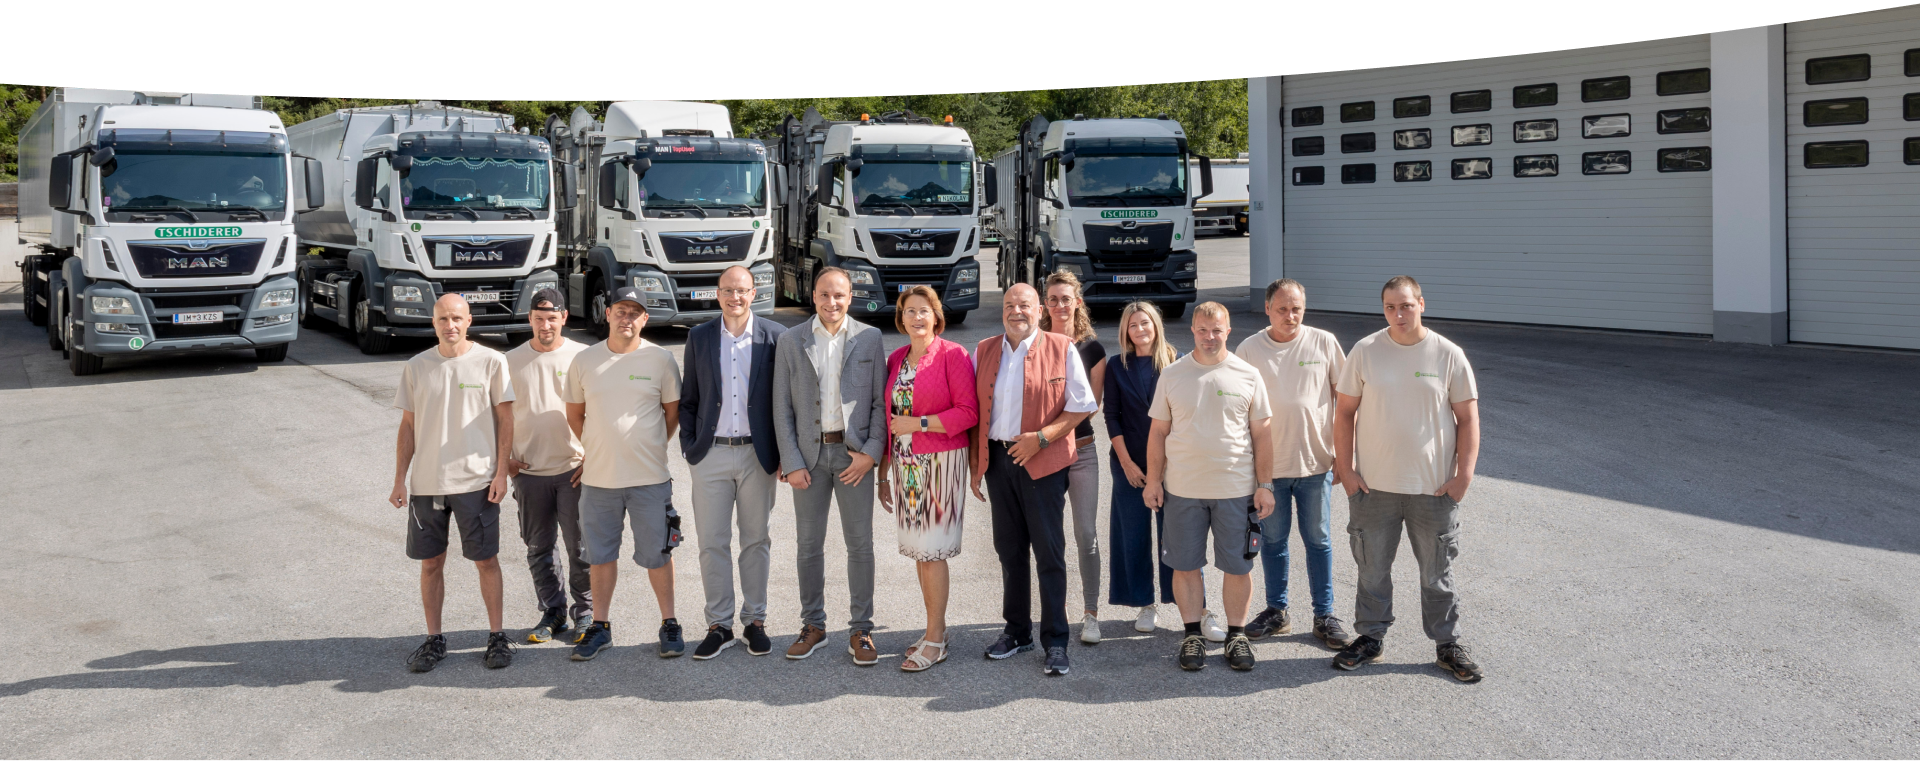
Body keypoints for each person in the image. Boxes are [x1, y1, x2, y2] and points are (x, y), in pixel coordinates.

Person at [1331, 276, 1484, 683]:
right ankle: (1370, 638)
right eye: (1390, 307)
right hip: (1373, 489)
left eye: (1406, 305)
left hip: (1432, 490)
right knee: (1372, 569)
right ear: (1383, 309)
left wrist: (1462, 476)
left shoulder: (1448, 355)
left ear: (1421, 304)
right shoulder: (1365, 351)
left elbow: (1467, 419)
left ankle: (1447, 644)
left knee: (1437, 574)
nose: (1398, 314)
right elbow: (1344, 413)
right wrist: (1346, 471)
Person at [973, 283, 1097, 676]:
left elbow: (1080, 408)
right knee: (1009, 550)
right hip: (998, 459)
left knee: (1049, 552)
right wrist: (976, 464)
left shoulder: (1062, 348)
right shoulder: (984, 349)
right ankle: (1017, 631)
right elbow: (974, 409)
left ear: (1039, 310)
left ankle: (1056, 640)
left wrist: (1040, 439)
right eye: (1009, 305)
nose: (1016, 312)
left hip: (1043, 460)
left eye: (1023, 305)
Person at [389, 294, 517, 673]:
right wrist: (399, 479)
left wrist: (500, 473)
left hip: (476, 482)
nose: (451, 325)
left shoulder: (492, 362)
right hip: (427, 484)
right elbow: (408, 426)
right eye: (443, 319)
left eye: (457, 318)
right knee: (431, 564)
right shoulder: (417, 366)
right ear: (433, 323)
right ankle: (434, 639)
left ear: (469, 320)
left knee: (485, 561)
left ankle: (496, 636)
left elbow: (506, 420)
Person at [1144, 301, 1275, 672]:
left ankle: (1236, 635)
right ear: (1193, 332)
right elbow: (1158, 432)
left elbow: (1263, 434)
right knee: (1184, 566)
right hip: (1182, 490)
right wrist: (1154, 480)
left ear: (1228, 331)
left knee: (1239, 567)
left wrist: (1265, 484)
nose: (1210, 337)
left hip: (1236, 490)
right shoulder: (1172, 375)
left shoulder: (1247, 375)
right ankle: (1192, 635)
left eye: (1217, 330)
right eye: (1202, 330)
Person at [771, 267, 888, 665]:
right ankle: (814, 625)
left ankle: (861, 630)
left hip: (853, 457)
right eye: (824, 295)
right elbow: (781, 408)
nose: (831, 302)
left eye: (839, 295)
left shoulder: (870, 338)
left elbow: (879, 403)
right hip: (810, 459)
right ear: (814, 295)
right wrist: (792, 461)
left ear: (850, 297)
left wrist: (871, 453)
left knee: (860, 546)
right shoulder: (791, 340)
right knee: (808, 545)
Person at [563, 287, 685, 661]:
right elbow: (575, 414)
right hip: (599, 481)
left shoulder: (661, 360)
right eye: (621, 311)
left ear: (645, 319)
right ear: (608, 314)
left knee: (658, 554)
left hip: (649, 478)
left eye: (635, 312)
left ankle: (669, 624)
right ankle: (600, 627)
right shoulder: (585, 361)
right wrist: (601, 448)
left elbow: (672, 414)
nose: (627, 318)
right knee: (600, 556)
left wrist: (644, 447)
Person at [1234, 279, 1355, 650]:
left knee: (1318, 541)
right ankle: (1277, 612)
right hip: (1268, 469)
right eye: (1283, 308)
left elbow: (1347, 400)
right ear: (1267, 308)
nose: (1291, 315)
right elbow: (1237, 409)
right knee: (1273, 542)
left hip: (1315, 464)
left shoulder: (1323, 342)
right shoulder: (1250, 349)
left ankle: (1325, 615)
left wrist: (1344, 455)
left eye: (1297, 308)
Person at [680, 266, 787, 659]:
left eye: (742, 290)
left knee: (756, 540)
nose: (735, 297)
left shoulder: (776, 337)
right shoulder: (700, 336)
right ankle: (719, 624)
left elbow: (785, 401)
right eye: (728, 290)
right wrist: (691, 448)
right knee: (712, 542)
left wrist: (782, 454)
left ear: (753, 292)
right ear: (718, 293)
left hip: (758, 455)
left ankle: (754, 620)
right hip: (711, 454)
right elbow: (689, 397)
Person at [1103, 301, 1221, 639]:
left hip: (1173, 465)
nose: (1140, 330)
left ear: (1156, 325)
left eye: (1145, 323)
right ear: (1126, 330)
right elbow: (1111, 416)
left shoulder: (1178, 361)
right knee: (1134, 536)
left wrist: (1167, 466)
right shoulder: (1116, 366)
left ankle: (1199, 608)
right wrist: (1126, 463)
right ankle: (1144, 603)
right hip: (1129, 465)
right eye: (1133, 325)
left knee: (1180, 540)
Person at [878, 286, 977, 672]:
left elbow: (968, 412)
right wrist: (883, 472)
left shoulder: (954, 355)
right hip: (905, 463)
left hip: (940, 463)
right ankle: (934, 627)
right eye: (909, 311)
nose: (917, 318)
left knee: (932, 552)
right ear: (900, 318)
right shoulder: (897, 359)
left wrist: (919, 423)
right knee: (920, 552)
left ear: (937, 316)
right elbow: (890, 420)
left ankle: (936, 639)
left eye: (924, 311)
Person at [503, 288, 591, 645]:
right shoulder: (509, 361)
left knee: (581, 549)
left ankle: (585, 613)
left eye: (552, 318)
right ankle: (552, 611)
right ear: (530, 319)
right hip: (528, 472)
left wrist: (593, 455)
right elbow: (498, 415)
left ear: (564, 318)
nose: (545, 325)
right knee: (538, 548)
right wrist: (504, 458)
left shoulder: (583, 357)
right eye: (538, 319)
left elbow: (598, 409)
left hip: (574, 469)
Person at [1038, 269, 1106, 645]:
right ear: (1045, 304)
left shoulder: (1092, 348)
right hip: (1045, 452)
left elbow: (1091, 407)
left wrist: (1051, 421)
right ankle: (1055, 613)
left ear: (1077, 301)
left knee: (1086, 534)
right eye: (1053, 299)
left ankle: (1091, 613)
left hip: (1080, 452)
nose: (1060, 305)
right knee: (1049, 538)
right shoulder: (1037, 342)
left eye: (1066, 298)